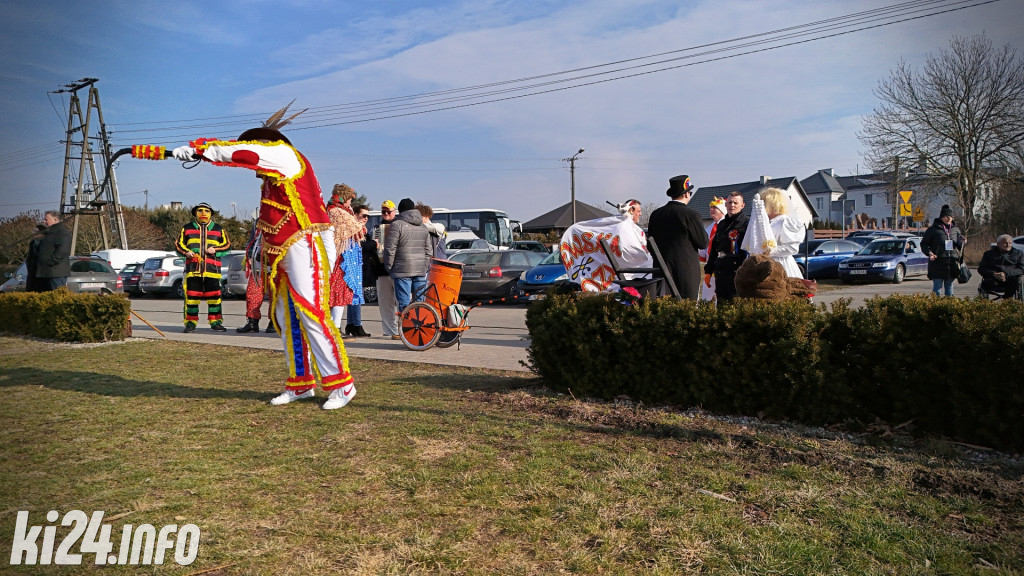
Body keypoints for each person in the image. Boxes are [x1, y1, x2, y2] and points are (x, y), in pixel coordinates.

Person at [153, 103, 356, 409]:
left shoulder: (283, 155)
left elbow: (241, 154)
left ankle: (342, 384)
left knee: (312, 312)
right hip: (285, 250)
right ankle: (301, 383)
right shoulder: (272, 179)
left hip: (305, 242)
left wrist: (199, 150)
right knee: (285, 315)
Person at [647, 175, 709, 300]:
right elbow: (703, 243)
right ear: (686, 194)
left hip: (661, 270)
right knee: (686, 310)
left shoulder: (656, 214)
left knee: (663, 309)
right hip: (686, 272)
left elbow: (650, 245)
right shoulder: (691, 215)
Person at [175, 202, 232, 332]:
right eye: (200, 211)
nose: (203, 213)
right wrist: (186, 252)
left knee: (215, 297)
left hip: (213, 270)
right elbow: (178, 244)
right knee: (191, 298)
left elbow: (227, 246)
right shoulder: (187, 228)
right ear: (195, 213)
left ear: (211, 213)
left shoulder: (219, 229)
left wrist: (215, 249)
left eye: (206, 211)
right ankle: (190, 323)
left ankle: (215, 322)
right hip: (193, 270)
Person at [326, 184, 366, 337]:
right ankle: (334, 327)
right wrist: (360, 226)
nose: (350, 203)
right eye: (349, 199)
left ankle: (333, 326)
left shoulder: (336, 210)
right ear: (344, 197)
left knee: (341, 293)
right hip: (340, 258)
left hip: (342, 257)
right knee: (339, 293)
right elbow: (356, 229)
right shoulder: (336, 212)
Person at [383, 198, 433, 320]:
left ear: (400, 211)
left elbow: (390, 248)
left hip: (402, 269)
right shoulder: (423, 227)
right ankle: (418, 333)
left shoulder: (396, 225)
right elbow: (428, 251)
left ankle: (407, 331)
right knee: (419, 303)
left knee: (404, 304)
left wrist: (389, 267)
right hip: (420, 270)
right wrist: (424, 266)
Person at [704, 191, 748, 303]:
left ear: (742, 205)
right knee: (722, 304)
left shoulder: (747, 223)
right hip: (721, 270)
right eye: (729, 202)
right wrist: (708, 271)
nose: (732, 205)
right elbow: (714, 249)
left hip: (738, 270)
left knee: (736, 303)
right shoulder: (722, 224)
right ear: (725, 205)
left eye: (735, 203)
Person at [235, 219, 273, 333]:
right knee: (252, 295)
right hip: (257, 268)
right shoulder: (258, 222)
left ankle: (275, 323)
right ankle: (252, 322)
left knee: (276, 297)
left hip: (275, 268)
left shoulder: (281, 219)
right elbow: (252, 241)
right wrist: (250, 255)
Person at [757, 187, 804, 278]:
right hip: (763, 263)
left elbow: (792, 248)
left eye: (764, 202)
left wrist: (769, 251)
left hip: (781, 264)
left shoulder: (784, 222)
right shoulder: (764, 222)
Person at [921, 204, 966, 296]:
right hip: (938, 262)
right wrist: (929, 253)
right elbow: (924, 244)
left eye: (951, 217)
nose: (949, 219)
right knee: (937, 287)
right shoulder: (933, 230)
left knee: (949, 286)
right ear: (941, 217)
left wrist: (962, 242)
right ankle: (935, 307)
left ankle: (948, 307)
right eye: (946, 216)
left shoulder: (955, 230)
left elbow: (958, 245)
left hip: (951, 263)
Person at [371, 200, 400, 339]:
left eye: (389, 211)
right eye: (384, 212)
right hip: (382, 271)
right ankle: (389, 329)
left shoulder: (399, 225)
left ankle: (402, 329)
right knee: (385, 302)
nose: (386, 214)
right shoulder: (377, 228)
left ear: (395, 212)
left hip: (398, 270)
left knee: (401, 301)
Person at [347, 204, 372, 337]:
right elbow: (360, 245)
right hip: (352, 263)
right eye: (364, 215)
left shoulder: (362, 229)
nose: (366, 218)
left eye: (368, 216)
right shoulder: (354, 228)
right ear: (355, 215)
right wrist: (373, 244)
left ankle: (351, 324)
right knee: (356, 294)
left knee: (354, 294)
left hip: (358, 263)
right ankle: (356, 325)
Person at [34, 211, 72, 292]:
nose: (44, 221)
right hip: (47, 272)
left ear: (55, 219)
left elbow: (62, 250)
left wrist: (50, 262)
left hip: (56, 272)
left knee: (58, 298)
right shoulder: (48, 233)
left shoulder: (62, 232)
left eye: (46, 219)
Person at [698, 197, 726, 301]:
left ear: (722, 210)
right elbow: (704, 250)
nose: (711, 209)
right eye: (711, 207)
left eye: (715, 207)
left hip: (723, 267)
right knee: (707, 298)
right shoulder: (708, 228)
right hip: (710, 268)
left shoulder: (727, 226)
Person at [25, 223, 47, 292]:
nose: (34, 233)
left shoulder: (46, 242)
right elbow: (30, 256)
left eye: (36, 231)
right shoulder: (32, 243)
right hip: (32, 272)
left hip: (42, 273)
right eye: (33, 231)